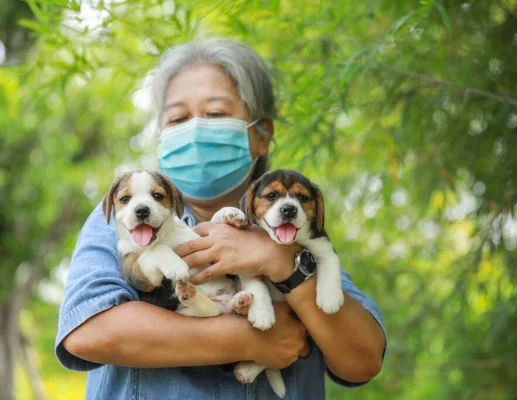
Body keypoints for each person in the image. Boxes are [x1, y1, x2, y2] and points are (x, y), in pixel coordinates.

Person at [55, 37, 387, 399]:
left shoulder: (294, 233)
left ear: (261, 136)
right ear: (162, 139)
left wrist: (286, 266)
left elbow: (363, 360)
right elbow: (87, 332)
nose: (196, 131)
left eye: (216, 114)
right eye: (178, 119)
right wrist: (247, 340)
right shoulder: (122, 220)